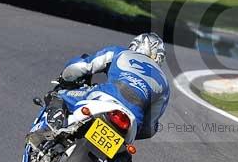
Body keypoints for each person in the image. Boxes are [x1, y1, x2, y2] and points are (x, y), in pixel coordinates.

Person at [29, 33, 169, 147]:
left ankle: (49, 130)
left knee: (59, 95)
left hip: (106, 96)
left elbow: (84, 66)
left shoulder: (119, 52)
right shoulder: (164, 83)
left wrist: (64, 78)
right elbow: (150, 127)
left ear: (134, 45)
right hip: (133, 120)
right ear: (160, 57)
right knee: (124, 156)